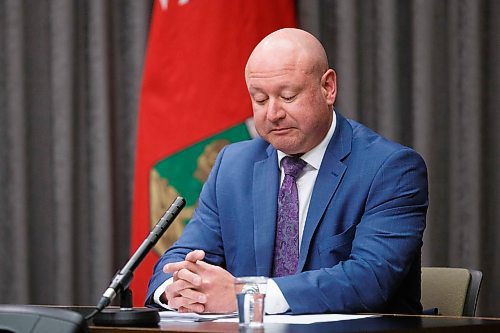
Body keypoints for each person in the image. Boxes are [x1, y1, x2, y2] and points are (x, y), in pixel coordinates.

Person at [146, 28, 428, 315]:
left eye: (288, 96)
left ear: (328, 88)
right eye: (260, 99)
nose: (273, 113)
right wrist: (177, 289)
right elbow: (182, 259)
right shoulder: (232, 165)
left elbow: (370, 280)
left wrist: (247, 295)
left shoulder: (390, 169)